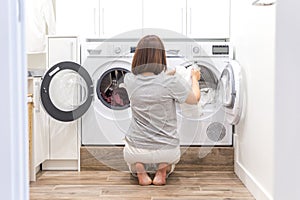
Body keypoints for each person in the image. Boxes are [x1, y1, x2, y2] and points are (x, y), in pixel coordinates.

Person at [123, 35, 201, 186]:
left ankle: (139, 168)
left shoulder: (129, 80)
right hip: (167, 150)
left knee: (132, 156)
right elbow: (195, 98)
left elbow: (151, 81)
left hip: (135, 150)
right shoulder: (171, 82)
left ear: (137, 56)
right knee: (169, 161)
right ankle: (162, 169)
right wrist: (194, 79)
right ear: (161, 56)